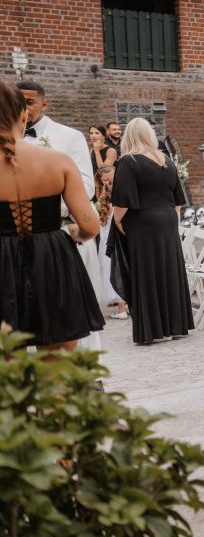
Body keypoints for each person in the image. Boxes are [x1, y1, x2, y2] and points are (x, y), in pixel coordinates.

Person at [0, 82, 104, 350]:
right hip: (51, 261)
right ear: (23, 115)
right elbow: (90, 226)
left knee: (8, 370)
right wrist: (74, 234)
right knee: (57, 366)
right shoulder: (58, 162)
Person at [110, 117, 193, 345]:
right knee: (169, 269)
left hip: (142, 222)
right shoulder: (166, 159)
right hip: (167, 220)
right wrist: (172, 219)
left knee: (146, 272)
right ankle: (176, 325)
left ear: (129, 136)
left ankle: (153, 329)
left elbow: (122, 201)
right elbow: (178, 198)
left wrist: (117, 222)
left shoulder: (129, 161)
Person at [15, 82, 93, 200]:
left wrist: (47, 206)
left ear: (44, 104)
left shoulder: (71, 136)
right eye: (16, 103)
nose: (22, 109)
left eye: (29, 103)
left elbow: (86, 187)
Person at [95, 164, 128, 319]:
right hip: (109, 240)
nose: (108, 182)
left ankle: (123, 307)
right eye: (105, 180)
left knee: (117, 270)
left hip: (111, 240)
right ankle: (122, 307)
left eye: (110, 179)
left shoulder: (111, 196)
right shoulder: (107, 198)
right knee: (115, 270)